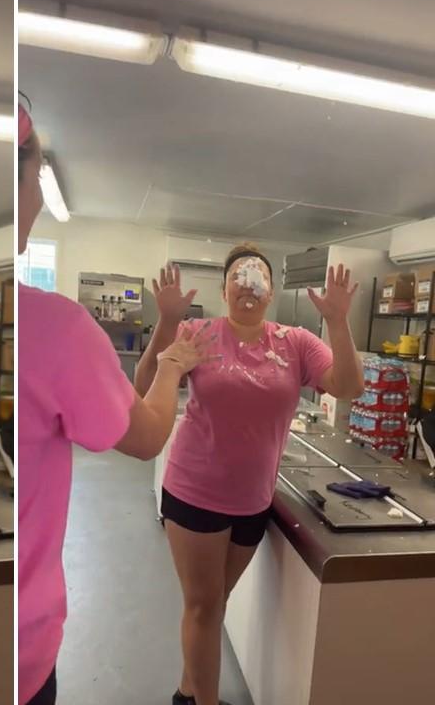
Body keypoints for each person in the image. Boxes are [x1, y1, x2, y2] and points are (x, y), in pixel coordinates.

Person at [17, 100, 215, 704]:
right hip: (22, 648)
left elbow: (132, 393)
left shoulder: (55, 329)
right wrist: (177, 359)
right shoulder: (59, 326)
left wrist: (163, 330)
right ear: (30, 183)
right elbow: (148, 429)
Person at [137, 244, 363, 705]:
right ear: (224, 290)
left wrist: (338, 321)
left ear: (271, 292)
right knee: (202, 607)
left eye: (257, 276)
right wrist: (165, 322)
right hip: (194, 491)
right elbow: (143, 387)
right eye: (238, 276)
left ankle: (186, 692)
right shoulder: (198, 333)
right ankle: (206, 701)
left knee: (212, 607)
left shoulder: (295, 342)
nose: (248, 284)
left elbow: (348, 386)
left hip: (252, 501)